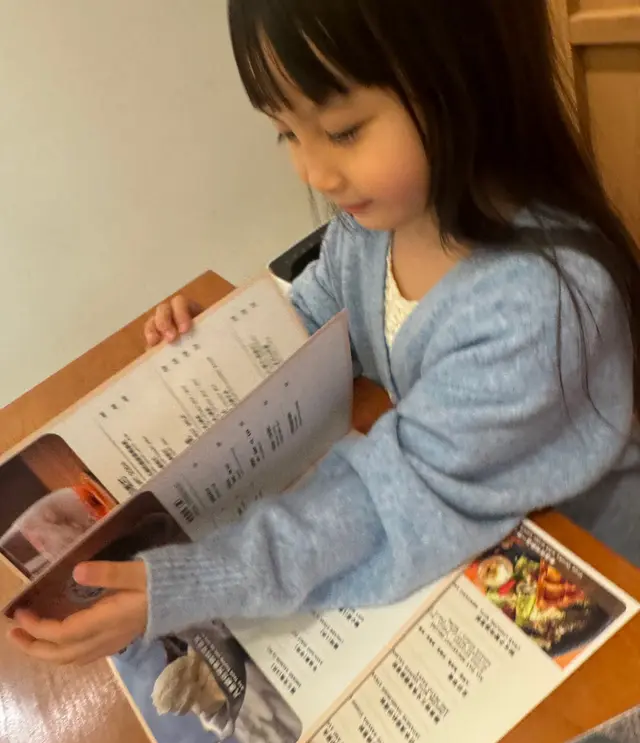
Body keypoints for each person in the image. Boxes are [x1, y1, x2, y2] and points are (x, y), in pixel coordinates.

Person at [9, 0, 640, 666]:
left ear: (469, 80)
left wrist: (191, 582)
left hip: (590, 573)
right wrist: (216, 349)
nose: (313, 172)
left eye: (343, 131)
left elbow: (386, 499)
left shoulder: (540, 302)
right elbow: (308, 326)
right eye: (285, 132)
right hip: (470, 521)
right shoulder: (374, 227)